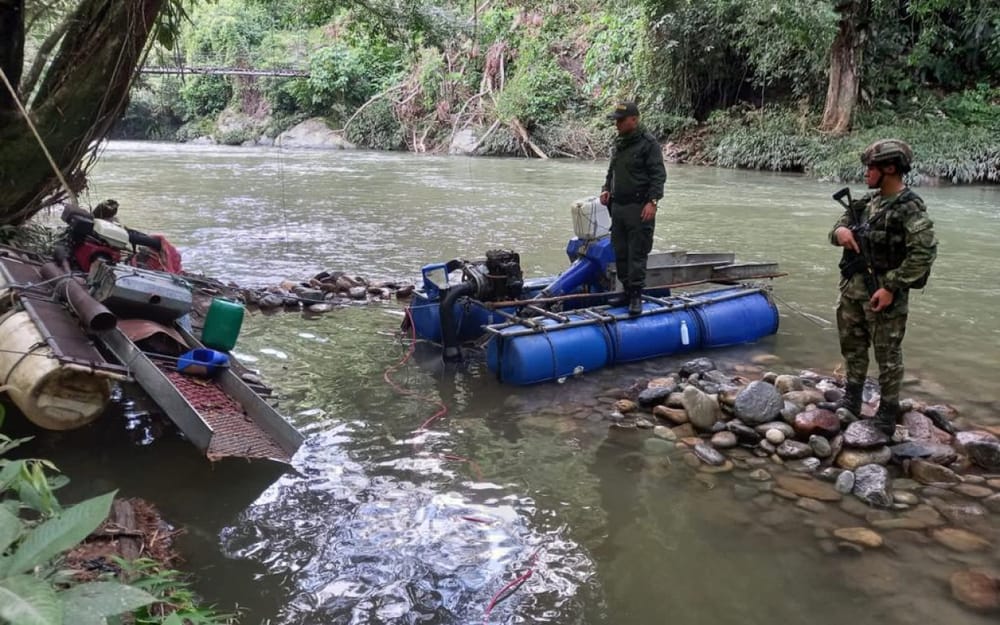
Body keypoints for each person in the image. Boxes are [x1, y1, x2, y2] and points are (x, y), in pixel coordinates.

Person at [830, 139, 937, 434]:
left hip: (884, 296)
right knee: (852, 346)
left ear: (889, 168)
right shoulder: (867, 202)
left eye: (871, 167)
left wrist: (891, 286)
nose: (866, 173)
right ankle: (851, 400)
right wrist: (840, 231)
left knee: (887, 355)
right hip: (853, 289)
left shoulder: (909, 207)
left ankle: (887, 414)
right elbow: (838, 226)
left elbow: (924, 253)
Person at [599, 101, 666, 315]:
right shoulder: (620, 143)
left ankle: (636, 296)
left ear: (634, 120)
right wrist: (606, 188)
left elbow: (658, 175)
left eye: (621, 120)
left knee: (637, 252)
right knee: (620, 251)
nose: (616, 124)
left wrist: (652, 202)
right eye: (615, 120)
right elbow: (612, 170)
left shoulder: (648, 144)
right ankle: (626, 291)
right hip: (618, 206)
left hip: (639, 207)